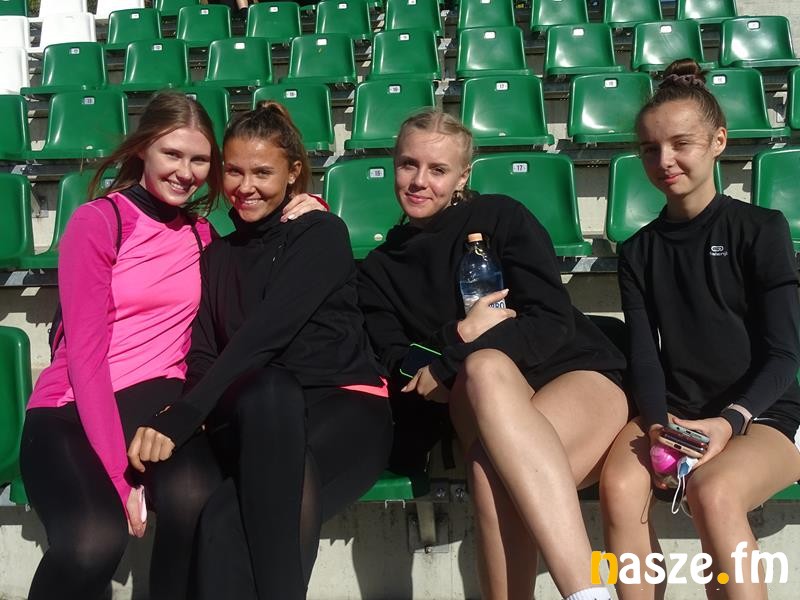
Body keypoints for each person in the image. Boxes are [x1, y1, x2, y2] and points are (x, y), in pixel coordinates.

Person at [19, 91, 324, 600]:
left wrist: (310, 209)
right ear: (143, 148)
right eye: (172, 154)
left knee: (194, 497)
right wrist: (120, 479)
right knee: (94, 542)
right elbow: (86, 360)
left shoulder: (203, 235)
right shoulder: (100, 221)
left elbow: (263, 258)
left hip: (156, 413)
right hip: (74, 411)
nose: (185, 172)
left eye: (199, 160)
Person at [357, 109, 629, 600]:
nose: (419, 181)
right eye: (408, 164)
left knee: (490, 459)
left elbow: (550, 320)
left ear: (463, 176)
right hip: (477, 404)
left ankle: (586, 592)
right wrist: (462, 333)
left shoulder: (501, 217)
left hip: (576, 377)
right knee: (483, 388)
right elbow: (402, 366)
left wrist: (450, 361)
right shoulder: (379, 268)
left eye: (438, 170)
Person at [128, 102, 393, 600]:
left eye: (263, 173)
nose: (245, 186)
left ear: (293, 173)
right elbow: (204, 353)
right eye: (234, 171)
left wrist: (186, 413)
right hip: (260, 417)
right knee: (218, 515)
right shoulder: (217, 256)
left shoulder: (320, 232)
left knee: (236, 500)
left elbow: (265, 335)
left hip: (343, 408)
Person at [599, 59, 800, 600]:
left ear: (718, 142)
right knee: (618, 487)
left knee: (713, 492)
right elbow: (645, 355)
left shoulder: (761, 229)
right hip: (677, 413)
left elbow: (785, 355)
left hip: (761, 414)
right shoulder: (638, 250)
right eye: (650, 148)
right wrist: (658, 425)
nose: (664, 160)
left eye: (681, 143)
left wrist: (728, 422)